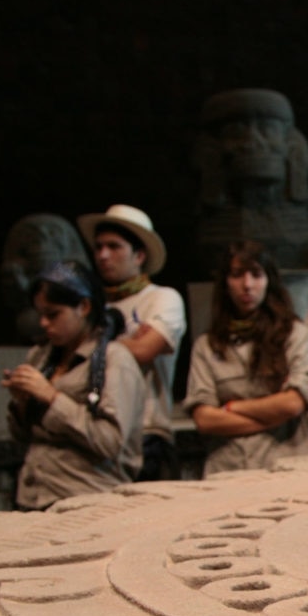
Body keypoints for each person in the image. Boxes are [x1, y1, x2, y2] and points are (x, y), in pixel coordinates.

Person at [4, 262, 145, 508]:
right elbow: (22, 436)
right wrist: (21, 402)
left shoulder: (114, 359)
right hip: (33, 495)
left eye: (53, 314)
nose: (44, 323)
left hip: (87, 497)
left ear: (84, 306)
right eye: (40, 315)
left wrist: (52, 398)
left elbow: (109, 441)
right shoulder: (40, 357)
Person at [183, 241, 308, 474]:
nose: (247, 285)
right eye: (237, 275)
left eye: (256, 274)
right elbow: (205, 419)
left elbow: (293, 403)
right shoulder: (207, 345)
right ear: (225, 282)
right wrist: (271, 417)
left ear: (269, 280)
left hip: (286, 463)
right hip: (229, 467)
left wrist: (233, 407)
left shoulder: (294, 334)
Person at [77, 205, 185, 481]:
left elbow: (146, 349)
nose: (103, 255)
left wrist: (96, 345)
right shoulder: (91, 305)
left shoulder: (161, 298)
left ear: (139, 255)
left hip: (147, 431)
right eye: (99, 247)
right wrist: (125, 344)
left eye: (114, 247)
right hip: (97, 430)